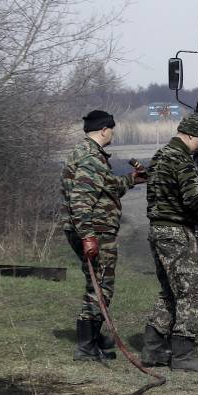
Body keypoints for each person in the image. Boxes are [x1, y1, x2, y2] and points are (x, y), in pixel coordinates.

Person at [142, 114, 198, 371]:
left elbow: (167, 196)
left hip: (158, 230)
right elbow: (192, 199)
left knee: (169, 292)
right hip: (176, 234)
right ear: (189, 135)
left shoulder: (160, 156)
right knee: (193, 294)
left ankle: (153, 350)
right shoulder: (182, 160)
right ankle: (183, 356)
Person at [61, 110, 146, 361]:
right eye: (112, 129)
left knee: (96, 283)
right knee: (102, 287)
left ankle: (94, 338)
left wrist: (132, 179)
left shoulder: (88, 154)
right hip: (95, 231)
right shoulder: (91, 159)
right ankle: (86, 347)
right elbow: (80, 200)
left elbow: (107, 188)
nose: (113, 133)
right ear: (104, 130)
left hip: (92, 229)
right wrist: (88, 236)